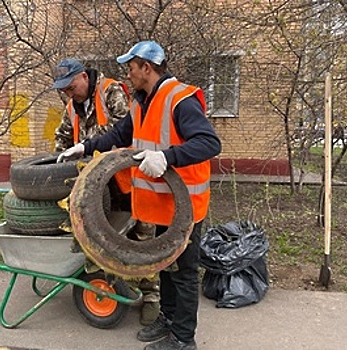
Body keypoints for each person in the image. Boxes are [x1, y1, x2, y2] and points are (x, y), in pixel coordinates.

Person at [57, 41, 221, 350]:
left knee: (184, 273)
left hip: (184, 207)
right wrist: (85, 147)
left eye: (131, 68)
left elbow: (209, 143)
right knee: (166, 266)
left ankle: (183, 339)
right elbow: (121, 135)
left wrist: (167, 157)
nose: (128, 74)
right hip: (162, 206)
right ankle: (169, 320)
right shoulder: (143, 101)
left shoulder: (180, 100)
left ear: (147, 67)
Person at [51, 57, 161, 326]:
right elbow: (62, 137)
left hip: (127, 180)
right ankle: (112, 285)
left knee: (141, 237)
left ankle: (151, 296)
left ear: (84, 77)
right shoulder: (72, 107)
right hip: (96, 190)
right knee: (101, 237)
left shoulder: (111, 92)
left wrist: (89, 145)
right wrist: (57, 162)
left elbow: (125, 131)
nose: (68, 92)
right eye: (63, 89)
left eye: (71, 86)